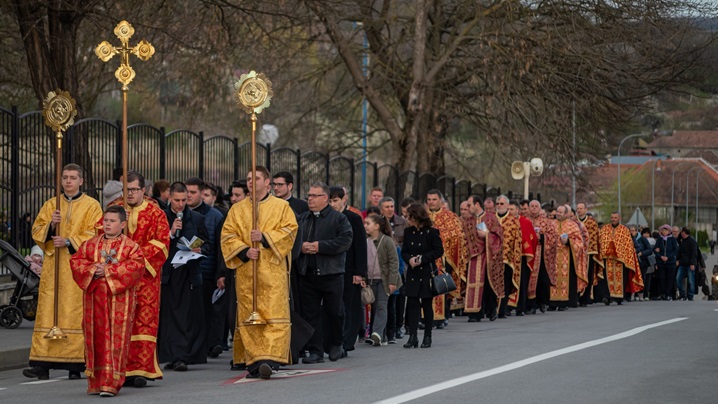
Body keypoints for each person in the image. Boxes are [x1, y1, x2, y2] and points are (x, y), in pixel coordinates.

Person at [24, 164, 103, 381]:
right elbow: (37, 230)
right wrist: (51, 226)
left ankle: (76, 363)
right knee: (49, 311)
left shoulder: (92, 205)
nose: (68, 181)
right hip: (53, 268)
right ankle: (42, 363)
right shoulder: (51, 204)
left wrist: (69, 240)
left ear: (81, 181)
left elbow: (96, 233)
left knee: (74, 311)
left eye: (72, 178)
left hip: (76, 267)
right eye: (65, 178)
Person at [220, 166, 298, 379]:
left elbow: (290, 230)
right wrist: (244, 250)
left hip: (272, 272)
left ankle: (270, 360)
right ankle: (254, 361)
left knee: (272, 315)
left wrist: (264, 237)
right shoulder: (237, 209)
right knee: (250, 314)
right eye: (248, 179)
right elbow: (227, 235)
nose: (251, 183)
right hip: (247, 272)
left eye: (256, 179)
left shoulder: (282, 207)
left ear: (267, 182)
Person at [70, 205, 145, 397]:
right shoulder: (90, 244)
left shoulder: (131, 247)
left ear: (122, 224)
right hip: (94, 301)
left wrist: (110, 271)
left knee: (116, 341)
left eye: (112, 221)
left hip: (119, 301)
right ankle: (96, 382)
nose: (107, 224)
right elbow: (77, 262)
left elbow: (136, 267)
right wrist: (94, 270)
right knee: (96, 339)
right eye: (106, 220)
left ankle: (111, 383)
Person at [103, 171, 170, 388]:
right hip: (118, 276)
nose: (129, 194)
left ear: (143, 190)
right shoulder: (115, 207)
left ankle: (140, 370)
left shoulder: (155, 213)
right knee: (119, 322)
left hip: (145, 278)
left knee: (143, 322)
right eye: (126, 190)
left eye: (133, 190)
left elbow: (161, 243)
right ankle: (118, 369)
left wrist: (135, 257)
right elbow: (100, 234)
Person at [297, 182, 353, 364]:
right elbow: (291, 239)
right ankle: (316, 351)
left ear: (325, 198)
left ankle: (337, 344)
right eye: (309, 196)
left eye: (314, 196)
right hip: (308, 273)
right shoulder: (303, 218)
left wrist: (320, 246)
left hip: (331, 273)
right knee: (311, 314)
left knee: (335, 312)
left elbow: (345, 241)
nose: (310, 199)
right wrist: (301, 247)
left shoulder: (338, 218)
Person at [158, 181, 212, 371]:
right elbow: (156, 243)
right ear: (169, 198)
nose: (180, 204)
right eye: (177, 200)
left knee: (188, 316)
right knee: (170, 316)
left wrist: (199, 248)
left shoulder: (196, 218)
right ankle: (172, 354)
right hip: (170, 273)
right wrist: (171, 233)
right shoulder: (161, 217)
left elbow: (208, 244)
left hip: (189, 273)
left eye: (184, 200)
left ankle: (184, 355)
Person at [186, 177, 227, 359]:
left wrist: (221, 273)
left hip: (208, 269)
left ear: (202, 194)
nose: (188, 196)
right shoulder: (181, 213)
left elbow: (220, 246)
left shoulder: (215, 216)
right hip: (185, 270)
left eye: (193, 192)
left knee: (209, 311)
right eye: (186, 192)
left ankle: (212, 344)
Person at [327, 186, 367, 354]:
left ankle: (347, 340)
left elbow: (360, 246)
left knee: (350, 306)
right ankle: (335, 339)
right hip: (333, 269)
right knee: (335, 306)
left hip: (350, 270)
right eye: (330, 201)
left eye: (335, 200)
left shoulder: (353, 218)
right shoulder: (327, 218)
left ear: (344, 199)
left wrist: (360, 272)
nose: (333, 204)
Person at [402, 204, 444, 349]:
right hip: (413, 272)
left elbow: (439, 251)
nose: (408, 219)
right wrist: (409, 259)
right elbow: (404, 250)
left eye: (410, 216)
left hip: (427, 271)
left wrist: (422, 258)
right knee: (412, 305)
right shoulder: (408, 232)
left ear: (417, 217)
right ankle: (413, 336)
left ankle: (427, 336)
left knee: (426, 305)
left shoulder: (431, 232)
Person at [425, 189, 467, 326]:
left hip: (444, 257)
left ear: (440, 201)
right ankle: (425, 317)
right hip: (425, 258)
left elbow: (457, 236)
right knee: (425, 288)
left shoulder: (450, 217)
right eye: (429, 199)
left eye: (434, 199)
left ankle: (443, 316)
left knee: (442, 285)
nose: (431, 202)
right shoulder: (422, 216)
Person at [463, 195, 503, 322]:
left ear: (477, 205)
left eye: (469, 205)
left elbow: (499, 236)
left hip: (488, 256)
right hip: (473, 257)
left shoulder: (491, 218)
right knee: (474, 284)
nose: (468, 208)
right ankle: (475, 313)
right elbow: (465, 238)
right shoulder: (468, 221)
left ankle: (492, 310)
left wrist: (487, 236)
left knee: (488, 283)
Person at [364, 214, 401, 346]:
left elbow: (393, 262)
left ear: (377, 226)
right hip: (370, 279)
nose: (365, 226)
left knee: (381, 305)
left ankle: (377, 334)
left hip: (384, 279)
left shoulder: (386, 241)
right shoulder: (365, 241)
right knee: (373, 306)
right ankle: (381, 335)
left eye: (368, 223)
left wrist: (392, 281)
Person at [598, 212, 643, 305]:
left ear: (619, 218)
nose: (613, 219)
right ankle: (608, 297)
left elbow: (628, 245)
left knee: (621, 278)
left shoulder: (624, 230)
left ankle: (619, 298)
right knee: (606, 278)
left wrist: (620, 252)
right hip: (608, 259)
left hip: (621, 260)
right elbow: (601, 242)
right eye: (612, 217)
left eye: (615, 217)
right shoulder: (605, 229)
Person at [548, 205, 588, 311]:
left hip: (567, 256)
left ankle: (563, 303)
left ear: (566, 214)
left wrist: (568, 241)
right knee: (552, 278)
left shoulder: (573, 225)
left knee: (566, 279)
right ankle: (552, 303)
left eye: (561, 212)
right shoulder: (551, 224)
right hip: (553, 257)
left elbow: (580, 242)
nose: (558, 214)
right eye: (557, 211)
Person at [379, 196, 407, 342]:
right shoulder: (378, 222)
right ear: (381, 209)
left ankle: (398, 327)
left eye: (391, 206)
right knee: (386, 302)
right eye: (387, 207)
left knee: (400, 298)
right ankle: (383, 330)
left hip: (400, 262)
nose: (390, 209)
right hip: (384, 265)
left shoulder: (402, 222)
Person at [526, 200, 558, 314]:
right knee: (528, 279)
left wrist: (542, 237)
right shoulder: (526, 220)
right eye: (532, 206)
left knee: (542, 280)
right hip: (528, 252)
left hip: (542, 253)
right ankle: (531, 304)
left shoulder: (547, 222)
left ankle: (542, 302)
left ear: (540, 208)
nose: (534, 208)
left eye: (536, 206)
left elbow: (553, 237)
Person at [508, 200, 537, 316]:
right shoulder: (505, 222)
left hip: (522, 257)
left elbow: (532, 238)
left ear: (517, 210)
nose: (510, 211)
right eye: (508, 209)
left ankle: (520, 307)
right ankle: (508, 306)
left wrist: (527, 252)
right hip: (508, 257)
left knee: (522, 283)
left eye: (512, 209)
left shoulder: (525, 222)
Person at [494, 195, 521, 318]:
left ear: (507, 205)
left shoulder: (513, 221)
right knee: (492, 284)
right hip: (492, 259)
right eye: (498, 203)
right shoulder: (490, 219)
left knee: (505, 284)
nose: (499, 206)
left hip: (507, 259)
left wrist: (515, 259)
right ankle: (491, 309)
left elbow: (517, 241)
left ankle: (502, 310)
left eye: (502, 204)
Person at [576, 203, 601, 306]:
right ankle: (576, 297)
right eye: (578, 208)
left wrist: (590, 250)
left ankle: (585, 298)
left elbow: (595, 237)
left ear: (586, 209)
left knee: (588, 274)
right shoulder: (573, 221)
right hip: (576, 252)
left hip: (588, 253)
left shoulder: (591, 223)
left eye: (581, 208)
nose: (579, 210)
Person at [654, 224, 679, 300]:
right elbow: (655, 250)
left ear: (669, 231)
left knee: (670, 279)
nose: (664, 232)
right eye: (663, 230)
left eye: (666, 230)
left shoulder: (672, 239)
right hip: (661, 263)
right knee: (662, 278)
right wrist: (660, 256)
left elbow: (675, 250)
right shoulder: (659, 239)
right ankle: (663, 293)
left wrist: (668, 257)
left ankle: (668, 294)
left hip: (670, 263)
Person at [631, 226, 654, 301]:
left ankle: (641, 294)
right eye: (630, 231)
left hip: (642, 262)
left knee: (642, 278)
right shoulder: (629, 239)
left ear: (636, 231)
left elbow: (650, 250)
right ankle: (634, 293)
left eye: (633, 230)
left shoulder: (642, 239)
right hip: (632, 262)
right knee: (633, 277)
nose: (631, 232)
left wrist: (642, 253)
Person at [676, 226, 698, 301]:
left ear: (684, 233)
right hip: (682, 263)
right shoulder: (682, 241)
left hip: (689, 264)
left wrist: (692, 263)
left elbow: (694, 253)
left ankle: (690, 295)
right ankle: (682, 294)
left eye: (681, 232)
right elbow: (679, 251)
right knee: (678, 279)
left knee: (691, 281)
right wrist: (677, 259)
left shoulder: (692, 241)